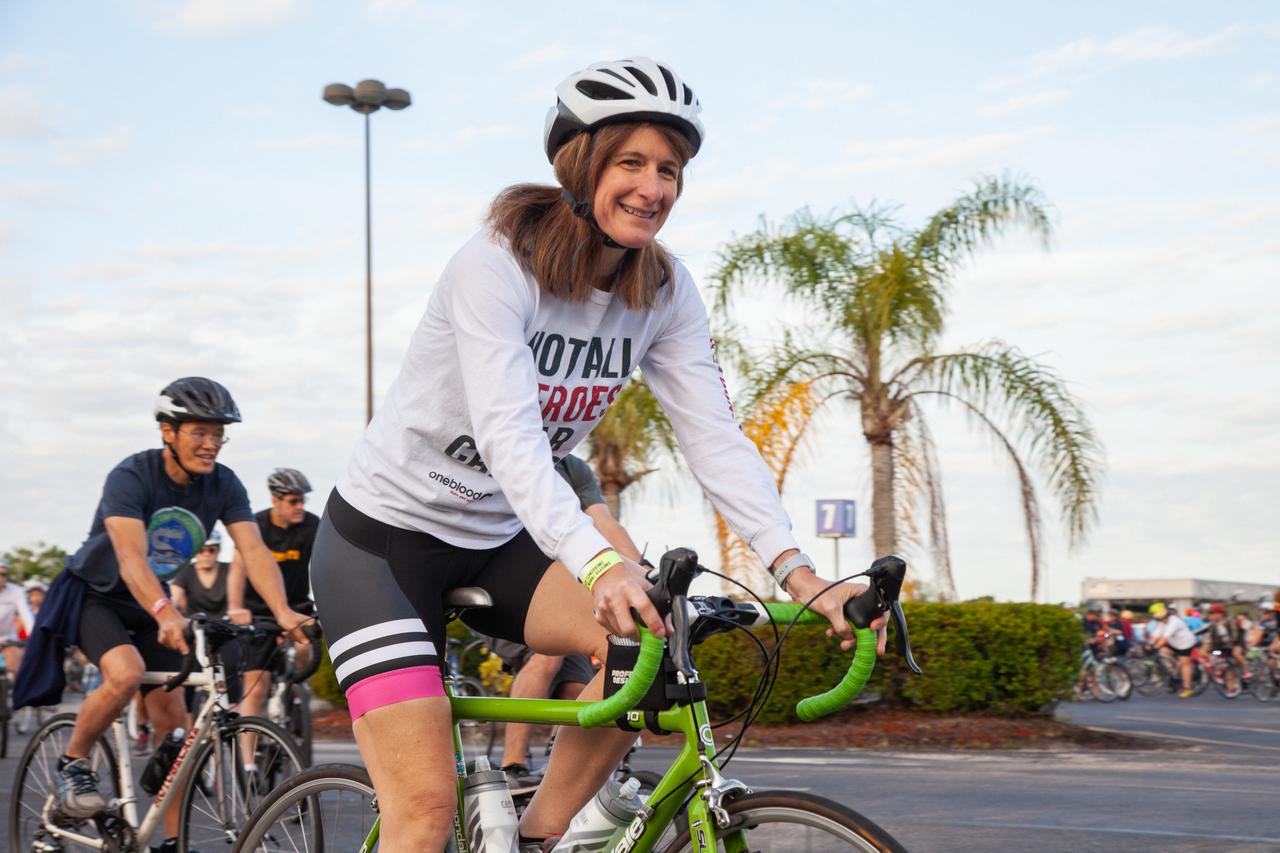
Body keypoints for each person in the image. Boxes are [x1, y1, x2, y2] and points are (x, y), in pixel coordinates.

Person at [308, 56, 889, 853]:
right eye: (632, 163)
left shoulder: (665, 288)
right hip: (382, 543)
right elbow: (512, 440)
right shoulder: (495, 263)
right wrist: (598, 564)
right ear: (581, 165)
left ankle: (544, 837)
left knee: (646, 645)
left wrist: (798, 569)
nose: (654, 188)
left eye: (670, 170)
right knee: (425, 812)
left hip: (496, 540)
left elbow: (713, 436)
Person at [51, 377, 311, 853]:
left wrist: (283, 612)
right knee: (125, 672)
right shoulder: (131, 476)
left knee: (175, 729)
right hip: (98, 594)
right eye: (199, 432)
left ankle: (171, 842)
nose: (211, 444)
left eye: (219, 434)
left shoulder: (224, 483)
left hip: (152, 603)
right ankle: (73, 762)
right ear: (168, 431)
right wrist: (163, 608)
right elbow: (130, 557)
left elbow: (252, 550)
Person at [490, 453, 643, 788]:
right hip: (506, 590)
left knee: (579, 689)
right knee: (547, 658)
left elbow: (604, 522)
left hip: (559, 595)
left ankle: (560, 777)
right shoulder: (506, 447)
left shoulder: (573, 468)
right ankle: (512, 764)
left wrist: (642, 573)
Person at [227, 467, 319, 741]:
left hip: (297, 607)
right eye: (293, 501)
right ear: (275, 499)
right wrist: (235, 606)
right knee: (255, 688)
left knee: (305, 647)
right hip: (257, 612)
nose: (300, 507)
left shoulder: (311, 525)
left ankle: (294, 691)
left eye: (302, 500)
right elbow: (237, 569)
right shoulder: (256, 526)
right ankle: (248, 762)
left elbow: (326, 565)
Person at [170, 528, 230, 619]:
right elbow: (174, 598)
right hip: (196, 626)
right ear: (194, 552)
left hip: (227, 626)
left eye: (211, 550)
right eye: (201, 550)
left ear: (219, 550)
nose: (206, 554)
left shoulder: (231, 570)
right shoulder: (185, 572)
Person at [1147, 602, 1197, 697]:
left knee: (1184, 663)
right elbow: (1155, 635)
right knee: (1162, 652)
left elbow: (1164, 638)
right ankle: (1175, 672)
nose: (1157, 616)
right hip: (1174, 643)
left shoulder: (1174, 621)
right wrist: (1148, 645)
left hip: (1185, 644)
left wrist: (1155, 646)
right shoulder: (1161, 622)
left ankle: (1187, 688)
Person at [0, 558, 35, 672]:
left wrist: (34, 636)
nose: (1, 577)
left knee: (15, 662)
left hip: (8, 639)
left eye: (3, 574)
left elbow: (26, 615)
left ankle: (14, 687)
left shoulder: (17, 591)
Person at [1204, 603, 1246, 690]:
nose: (1211, 616)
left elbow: (1235, 634)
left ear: (1220, 614)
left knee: (1234, 655)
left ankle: (1246, 671)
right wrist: (1209, 647)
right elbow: (1212, 638)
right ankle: (1219, 674)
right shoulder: (1213, 625)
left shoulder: (1229, 620)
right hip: (1223, 647)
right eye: (1210, 614)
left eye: (1213, 613)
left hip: (1236, 643)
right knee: (1215, 655)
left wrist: (1232, 644)